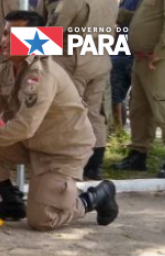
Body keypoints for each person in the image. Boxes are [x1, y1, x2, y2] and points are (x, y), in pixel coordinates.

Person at [0, 11, 119, 231]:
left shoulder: (42, 73)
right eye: (6, 33)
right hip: (33, 144)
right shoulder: (7, 67)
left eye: (14, 35)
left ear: (34, 39)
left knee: (42, 220)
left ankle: (93, 197)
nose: (5, 40)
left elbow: (24, 126)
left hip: (62, 152)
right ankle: (12, 202)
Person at [37, 0, 117, 181]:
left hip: (74, 61)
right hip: (99, 59)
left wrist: (16, 45)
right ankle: (94, 165)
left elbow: (52, 31)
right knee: (94, 113)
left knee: (68, 114)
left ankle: (68, 163)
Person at [111, 0, 165, 178]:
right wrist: (122, 16)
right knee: (139, 109)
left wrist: (160, 52)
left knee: (161, 108)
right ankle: (138, 154)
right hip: (142, 59)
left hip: (157, 60)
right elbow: (149, 19)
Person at [109, 0, 141, 134]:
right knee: (114, 97)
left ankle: (139, 140)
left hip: (141, 54)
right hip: (120, 53)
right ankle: (119, 134)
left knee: (142, 100)